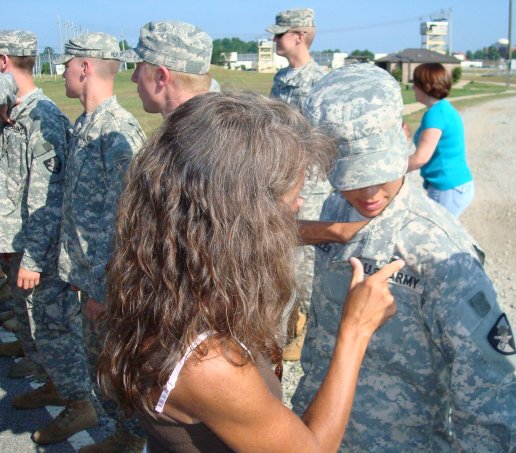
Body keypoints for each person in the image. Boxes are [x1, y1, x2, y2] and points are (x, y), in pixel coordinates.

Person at [97, 91, 403, 453]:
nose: (299, 207)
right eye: (290, 206)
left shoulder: (160, 276)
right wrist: (355, 331)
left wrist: (332, 231)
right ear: (244, 223)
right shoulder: (208, 365)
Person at [292, 63, 516, 452]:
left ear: (404, 137)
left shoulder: (439, 253)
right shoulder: (336, 207)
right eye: (351, 177)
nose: (367, 192)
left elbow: (492, 398)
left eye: (377, 172)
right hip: (319, 430)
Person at [0, 30, 96, 445]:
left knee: (54, 330)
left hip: (37, 249)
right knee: (34, 326)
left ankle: (79, 404)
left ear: (4, 62)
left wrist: (33, 259)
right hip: (17, 244)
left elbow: (47, 198)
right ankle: (55, 384)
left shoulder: (44, 119)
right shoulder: (15, 113)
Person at [53, 32, 147, 452]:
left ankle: (136, 439)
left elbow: (125, 225)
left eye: (68, 64)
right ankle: (125, 436)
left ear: (85, 67)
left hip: (106, 286)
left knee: (117, 371)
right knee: (100, 368)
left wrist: (103, 290)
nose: (65, 72)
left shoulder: (116, 132)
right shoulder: (85, 126)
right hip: (87, 278)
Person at [266, 7, 330, 360]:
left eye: (279, 34)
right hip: (280, 185)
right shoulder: (280, 79)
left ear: (299, 36)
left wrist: (302, 190)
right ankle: (287, 326)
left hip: (308, 189)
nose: (273, 40)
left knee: (304, 263)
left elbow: (319, 142)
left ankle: (304, 332)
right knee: (280, 258)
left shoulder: (320, 81)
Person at [406, 62, 475, 218]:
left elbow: (420, 158)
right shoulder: (442, 109)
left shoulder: (435, 114)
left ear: (426, 85)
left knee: (436, 235)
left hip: (448, 188)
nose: (413, 88)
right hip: (455, 186)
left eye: (415, 83)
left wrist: (390, 171)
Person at [122, 21, 214, 118]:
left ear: (161, 76)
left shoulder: (189, 131)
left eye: (139, 67)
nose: (134, 78)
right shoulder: (216, 126)